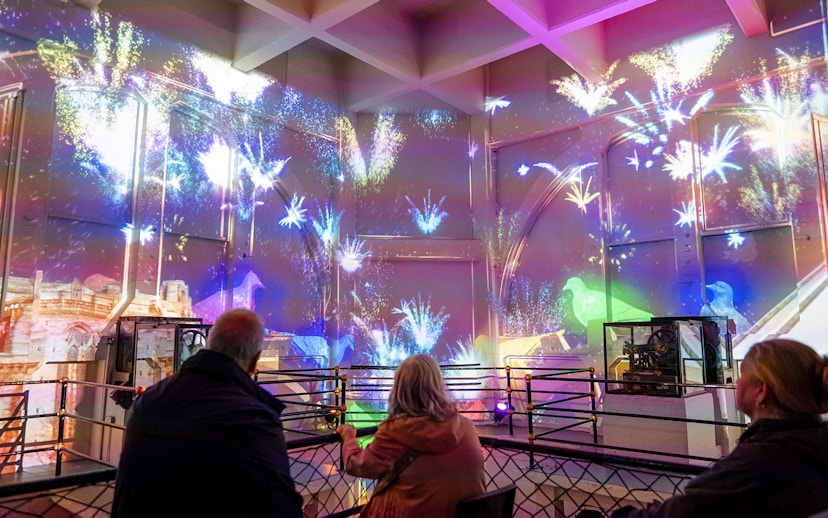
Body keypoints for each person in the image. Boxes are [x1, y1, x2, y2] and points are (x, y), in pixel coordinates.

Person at [112, 309, 303, 517]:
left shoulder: (147, 400)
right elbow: (282, 508)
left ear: (209, 344)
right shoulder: (255, 419)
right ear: (254, 361)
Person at [611, 338, 828, 518]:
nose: (737, 381)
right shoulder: (813, 444)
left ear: (761, 390)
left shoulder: (757, 463)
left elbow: (684, 511)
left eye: (742, 374)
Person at [336, 354, 485, 518]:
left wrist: (349, 436)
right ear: (439, 385)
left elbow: (357, 464)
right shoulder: (466, 426)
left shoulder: (395, 432)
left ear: (399, 389)